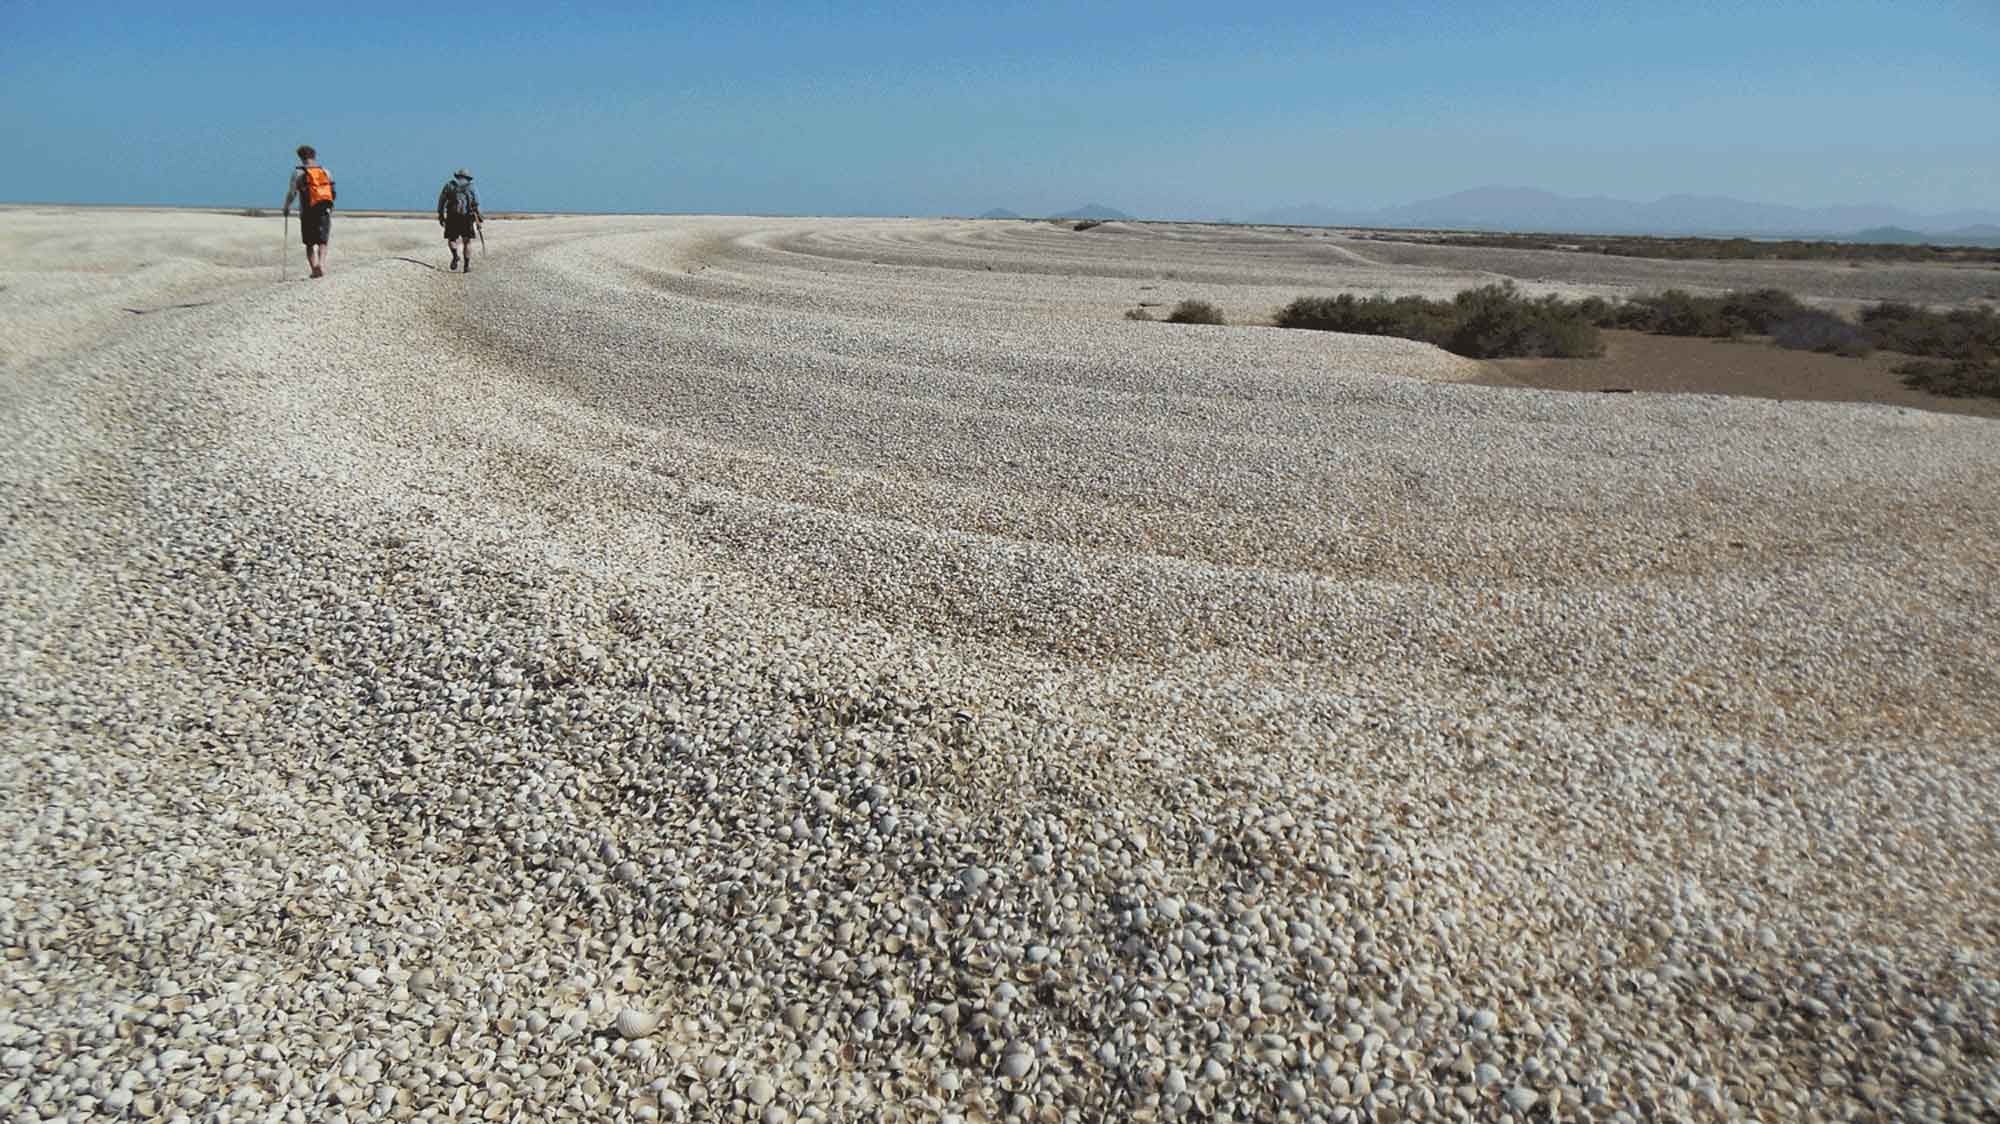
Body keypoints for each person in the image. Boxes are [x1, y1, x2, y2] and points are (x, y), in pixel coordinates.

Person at [281, 145, 335, 278]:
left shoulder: (298, 173)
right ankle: (321, 264)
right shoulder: (325, 171)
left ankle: (314, 269)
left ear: (300, 157)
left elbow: (292, 193)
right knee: (323, 241)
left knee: (309, 243)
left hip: (307, 211)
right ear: (314, 156)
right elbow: (332, 193)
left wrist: (286, 206)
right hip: (324, 209)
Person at [437, 169, 482, 273]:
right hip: (466, 217)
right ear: (467, 177)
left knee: (452, 239)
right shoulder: (471, 187)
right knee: (467, 242)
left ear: (457, 176)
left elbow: (441, 201)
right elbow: (477, 203)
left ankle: (455, 256)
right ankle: (466, 266)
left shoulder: (449, 185)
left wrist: (440, 215)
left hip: (452, 217)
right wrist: (479, 218)